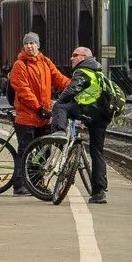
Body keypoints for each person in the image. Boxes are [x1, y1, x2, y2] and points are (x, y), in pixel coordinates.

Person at [7, 32, 68, 196]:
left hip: (43, 118)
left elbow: (59, 79)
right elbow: (23, 90)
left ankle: (35, 183)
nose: (29, 46)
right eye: (27, 44)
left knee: (43, 152)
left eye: (32, 43)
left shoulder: (45, 62)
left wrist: (75, 87)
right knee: (25, 151)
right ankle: (19, 185)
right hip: (27, 117)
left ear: (38, 45)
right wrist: (38, 108)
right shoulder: (20, 65)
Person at [52, 46, 113, 204]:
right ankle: (99, 192)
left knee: (60, 107)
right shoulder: (99, 73)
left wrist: (57, 104)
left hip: (88, 111)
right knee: (97, 152)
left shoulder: (83, 71)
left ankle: (58, 132)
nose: (71, 58)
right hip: (102, 116)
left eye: (75, 55)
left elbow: (71, 91)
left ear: (84, 57)